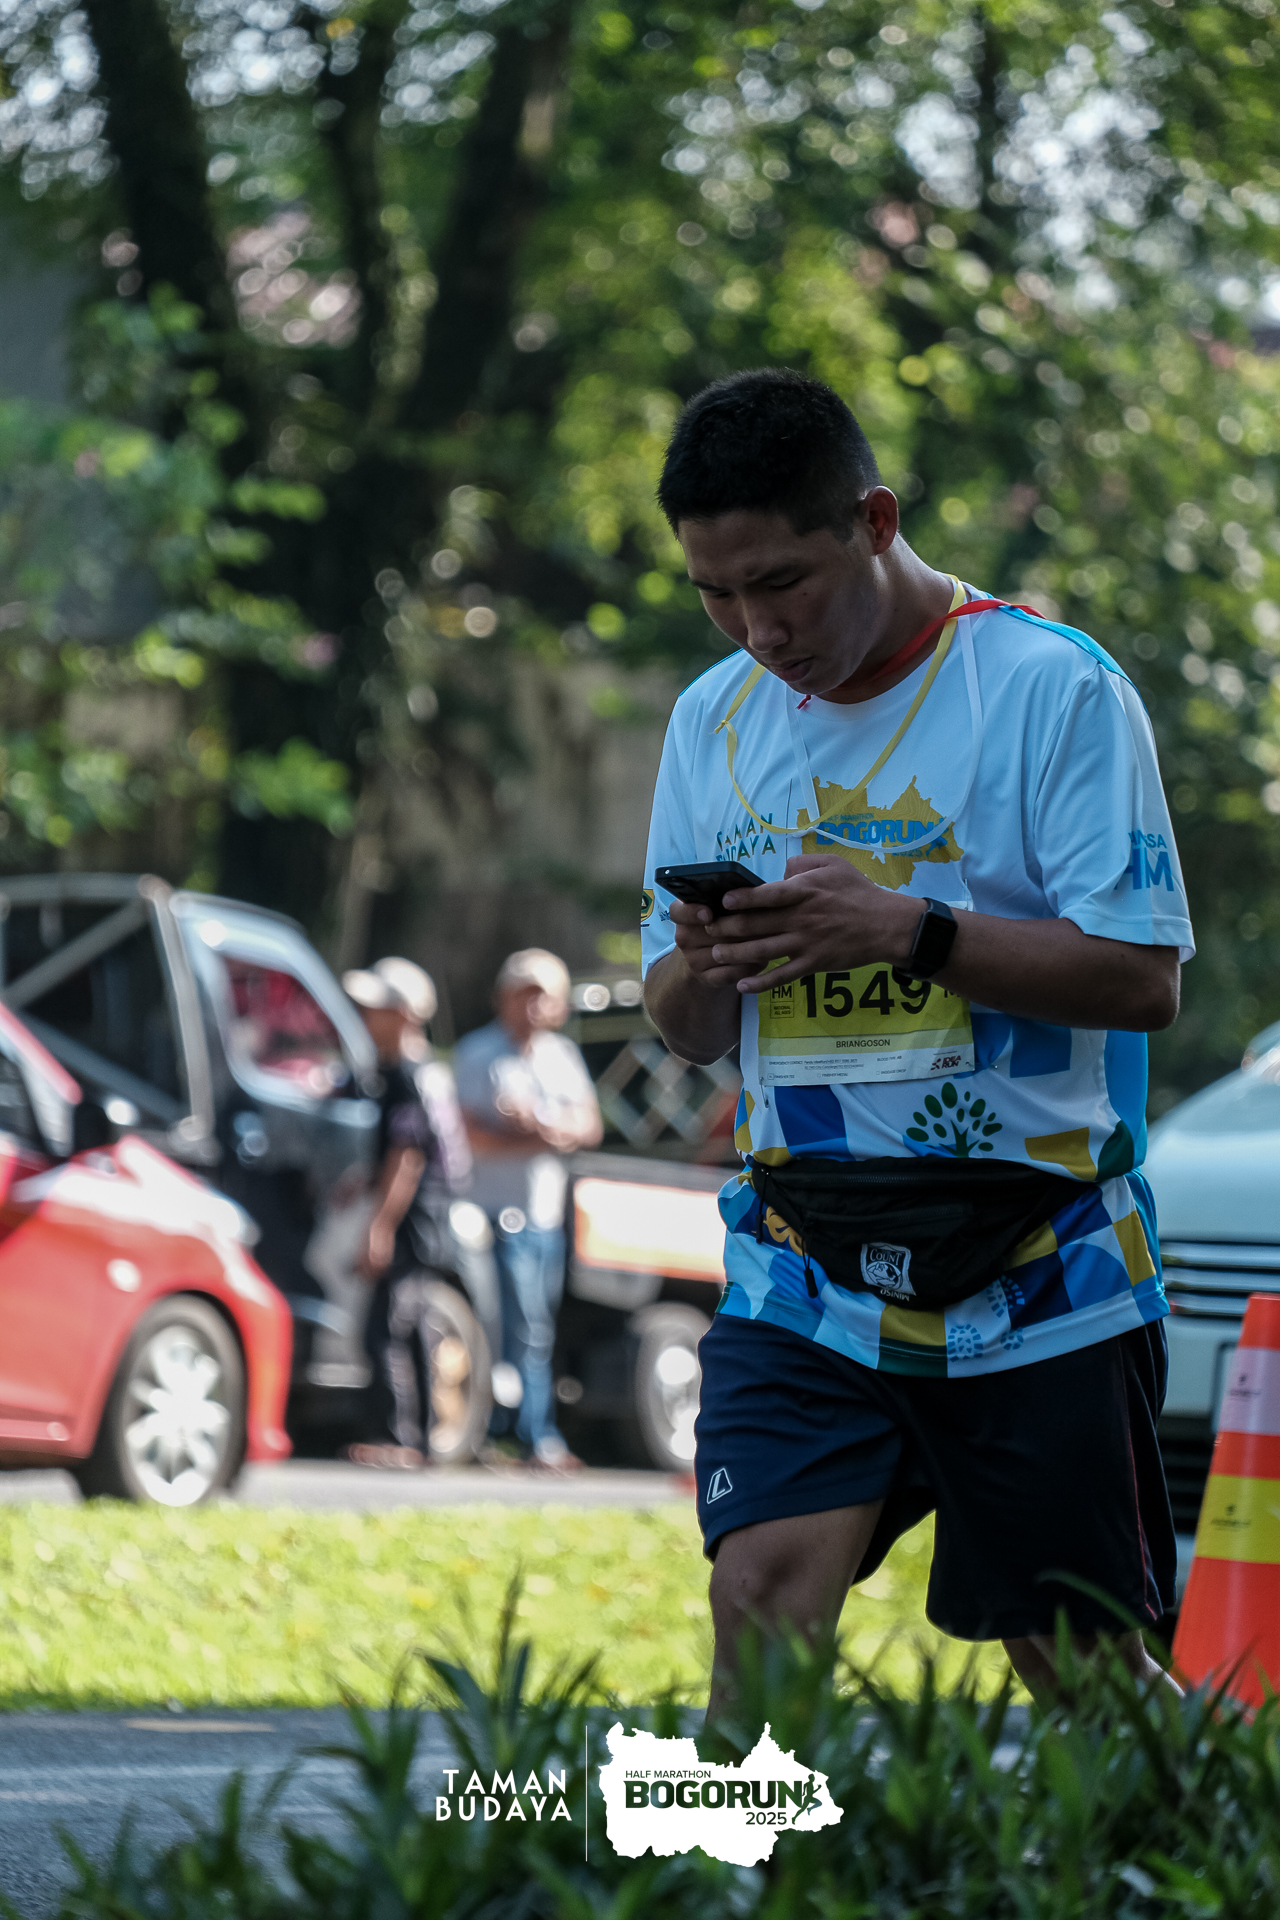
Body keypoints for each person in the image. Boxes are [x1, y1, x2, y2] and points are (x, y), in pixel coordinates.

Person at [640, 368, 1194, 1712]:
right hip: (803, 1255)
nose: (759, 629)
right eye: (717, 593)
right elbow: (682, 1021)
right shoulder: (712, 717)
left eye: (782, 582)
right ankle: (748, 1846)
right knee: (757, 1598)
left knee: (1080, 1671)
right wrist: (706, 966)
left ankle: (1220, 1833)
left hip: (1038, 1257)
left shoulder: (1051, 689)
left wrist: (909, 932)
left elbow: (1141, 979)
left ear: (874, 521)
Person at [453, 948, 603, 1470]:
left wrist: (538, 1126)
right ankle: (521, 1435)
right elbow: (468, 1135)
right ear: (503, 998)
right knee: (507, 1329)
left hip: (545, 1216)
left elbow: (589, 1126)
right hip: (493, 1214)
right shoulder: (479, 1053)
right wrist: (541, 1137)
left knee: (538, 1330)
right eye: (524, 995)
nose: (534, 1006)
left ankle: (528, 1433)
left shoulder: (561, 1055)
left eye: (544, 996)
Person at [343, 956, 471, 1468]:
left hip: (416, 1219)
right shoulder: (409, 1072)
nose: (365, 1017)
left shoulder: (409, 1076)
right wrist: (363, 1182)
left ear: (403, 1014)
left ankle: (398, 1436)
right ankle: (422, 1439)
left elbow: (409, 1156)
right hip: (425, 1213)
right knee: (414, 1323)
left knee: (386, 1327)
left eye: (375, 1008)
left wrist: (380, 1226)